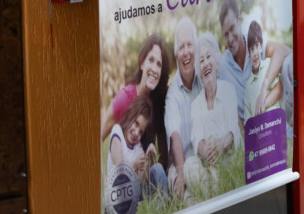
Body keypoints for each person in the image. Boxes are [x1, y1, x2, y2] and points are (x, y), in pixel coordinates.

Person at [101, 33, 171, 169]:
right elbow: (99, 134)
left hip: (145, 176)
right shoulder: (125, 98)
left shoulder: (157, 100)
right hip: (124, 174)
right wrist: (102, 176)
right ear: (142, 63)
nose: (154, 69)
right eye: (151, 60)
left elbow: (163, 150)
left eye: (159, 64)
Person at [217, 0, 292, 124]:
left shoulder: (253, 43)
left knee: (289, 63)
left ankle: (297, 123)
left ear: (239, 22)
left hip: (272, 112)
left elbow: (284, 51)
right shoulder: (222, 67)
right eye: (226, 34)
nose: (229, 39)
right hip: (251, 128)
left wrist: (264, 88)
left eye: (232, 28)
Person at [190, 31, 243, 194]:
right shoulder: (196, 104)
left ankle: (215, 191)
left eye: (209, 57)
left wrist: (221, 144)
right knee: (189, 166)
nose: (206, 63)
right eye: (201, 61)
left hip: (228, 160)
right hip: (208, 165)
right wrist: (208, 151)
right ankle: (214, 191)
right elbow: (197, 139)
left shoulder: (228, 90)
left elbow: (234, 130)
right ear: (198, 70)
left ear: (216, 60)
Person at [165, 17, 203, 200]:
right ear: (176, 55)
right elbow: (175, 135)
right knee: (188, 199)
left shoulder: (204, 80)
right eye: (181, 47)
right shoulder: (172, 95)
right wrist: (181, 170)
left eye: (190, 45)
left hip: (203, 163)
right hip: (181, 165)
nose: (186, 52)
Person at [107, 95, 168, 200]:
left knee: (157, 168)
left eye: (141, 132)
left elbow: (142, 181)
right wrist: (135, 165)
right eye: (136, 123)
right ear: (131, 115)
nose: (136, 133)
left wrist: (148, 159)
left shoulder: (137, 146)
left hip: (134, 195)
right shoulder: (117, 132)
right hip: (119, 196)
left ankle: (164, 205)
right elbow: (119, 174)